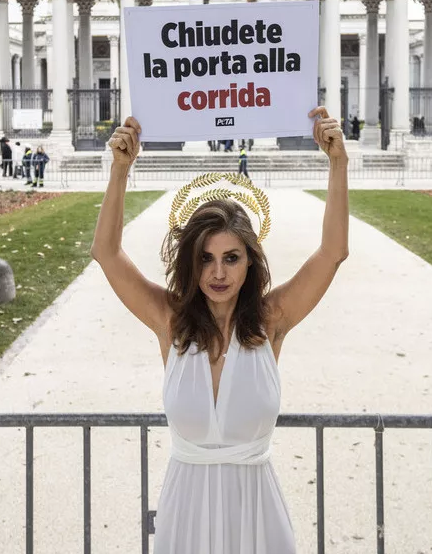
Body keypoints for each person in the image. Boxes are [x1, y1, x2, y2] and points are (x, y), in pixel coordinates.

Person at [91, 107, 347, 554]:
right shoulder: (170, 321)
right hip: (184, 516)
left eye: (232, 257)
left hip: (258, 517)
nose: (218, 272)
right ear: (192, 263)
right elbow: (107, 254)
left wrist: (338, 163)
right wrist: (119, 170)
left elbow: (332, 252)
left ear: (250, 262)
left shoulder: (272, 321)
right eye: (206, 258)